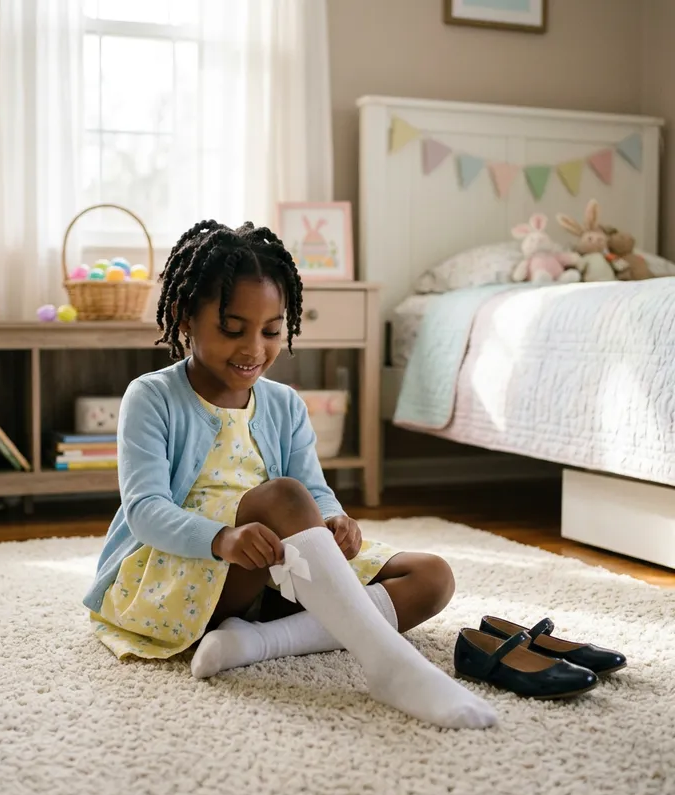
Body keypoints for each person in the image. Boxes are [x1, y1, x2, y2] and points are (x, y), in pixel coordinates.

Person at [83, 220, 496, 729]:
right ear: (183, 315)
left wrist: (333, 519)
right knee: (280, 496)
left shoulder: (284, 404)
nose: (254, 349)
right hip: (187, 571)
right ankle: (389, 664)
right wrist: (224, 538)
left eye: (271, 331)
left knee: (432, 577)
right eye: (232, 329)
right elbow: (144, 510)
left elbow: (315, 491)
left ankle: (256, 641)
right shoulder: (151, 397)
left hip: (280, 571)